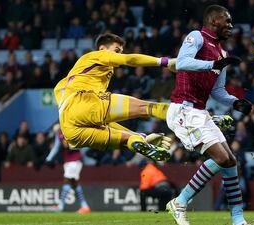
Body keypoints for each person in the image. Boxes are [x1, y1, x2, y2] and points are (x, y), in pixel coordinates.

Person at [165, 5, 251, 225]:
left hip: (200, 111)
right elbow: (181, 62)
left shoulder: (222, 53)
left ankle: (238, 220)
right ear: (214, 21)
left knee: (231, 161)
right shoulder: (197, 37)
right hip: (182, 109)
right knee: (221, 158)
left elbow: (218, 91)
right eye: (227, 21)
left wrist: (235, 102)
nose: (231, 26)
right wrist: (214, 64)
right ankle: (180, 201)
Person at [54, 33, 175, 162]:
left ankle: (140, 139)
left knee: (127, 140)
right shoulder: (96, 55)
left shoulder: (87, 76)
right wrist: (165, 62)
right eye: (117, 51)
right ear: (102, 49)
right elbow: (129, 59)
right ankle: (187, 119)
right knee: (148, 108)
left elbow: (101, 119)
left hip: (70, 131)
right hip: (80, 101)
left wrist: (141, 136)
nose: (119, 55)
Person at [45, 125, 91, 213]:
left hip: (75, 160)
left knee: (67, 181)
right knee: (74, 184)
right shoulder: (59, 133)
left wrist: (72, 146)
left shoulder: (73, 130)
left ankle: (60, 206)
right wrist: (49, 158)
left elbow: (82, 143)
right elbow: (56, 147)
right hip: (67, 161)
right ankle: (85, 206)